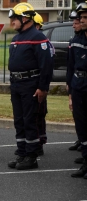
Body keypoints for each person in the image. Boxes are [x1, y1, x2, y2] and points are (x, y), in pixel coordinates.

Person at [7, 3, 53, 170]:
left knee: (29, 120)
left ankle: (31, 156)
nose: (12, 22)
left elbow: (46, 65)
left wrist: (42, 88)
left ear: (25, 18)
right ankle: (22, 153)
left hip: (30, 85)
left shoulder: (38, 37)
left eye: (14, 19)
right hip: (17, 85)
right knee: (19, 121)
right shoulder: (16, 38)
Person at [68, 2, 87, 178]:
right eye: (81, 17)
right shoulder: (76, 41)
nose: (81, 20)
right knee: (81, 127)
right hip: (78, 86)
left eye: (85, 17)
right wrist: (70, 93)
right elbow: (71, 66)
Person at [67, 10, 83, 153]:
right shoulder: (75, 41)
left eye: (76, 23)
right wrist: (69, 84)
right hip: (77, 83)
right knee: (79, 118)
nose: (74, 25)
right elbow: (71, 66)